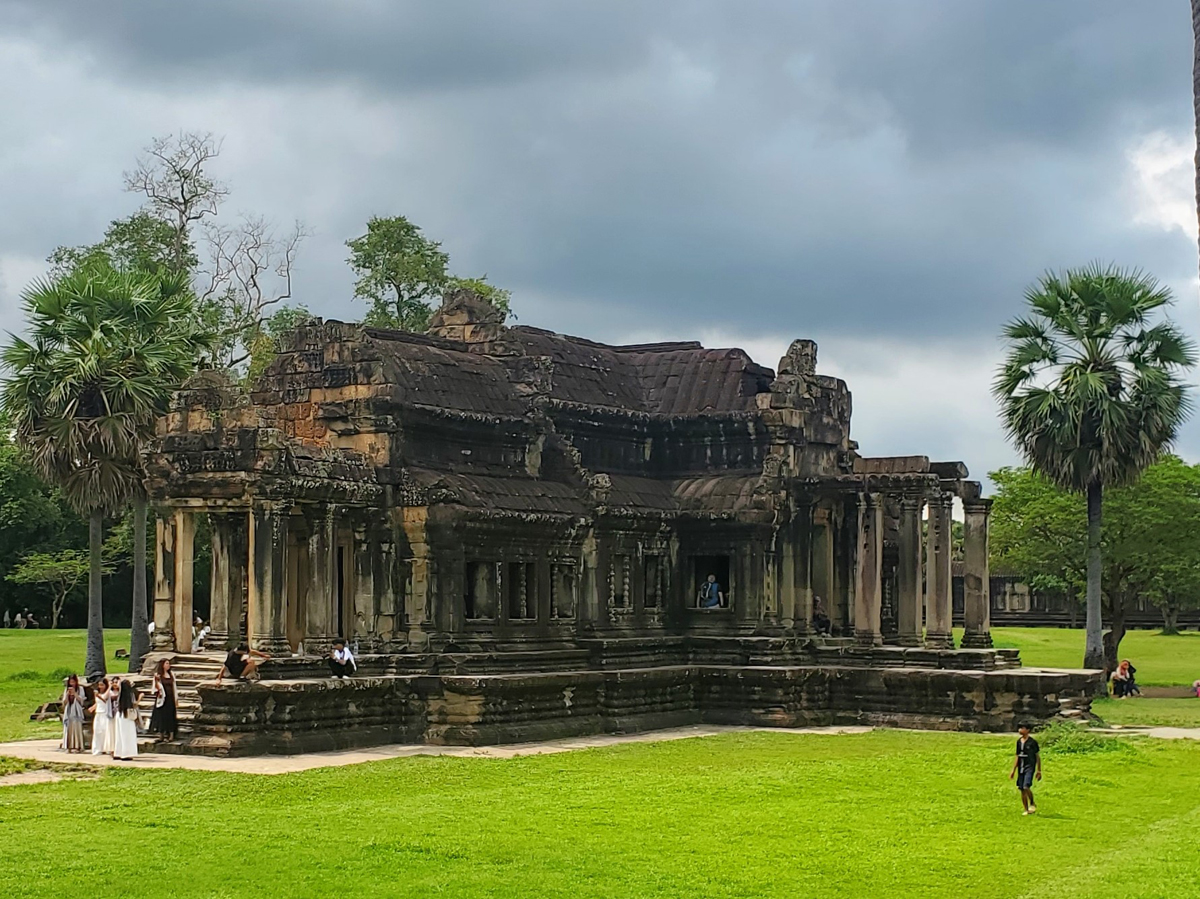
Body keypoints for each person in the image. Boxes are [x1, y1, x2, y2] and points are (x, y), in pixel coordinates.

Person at [1009, 723, 1042, 815]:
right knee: (1021, 789)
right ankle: (1026, 809)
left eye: (1022, 728)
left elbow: (1037, 756)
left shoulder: (1032, 742)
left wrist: (1039, 770)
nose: (1020, 730)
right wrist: (1013, 770)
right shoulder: (1019, 742)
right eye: (1019, 728)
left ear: (1028, 730)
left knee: (1026, 786)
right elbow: (1017, 756)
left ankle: (1032, 802)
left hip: (1029, 767)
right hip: (1021, 767)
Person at [148, 658, 178, 742]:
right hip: (162, 699)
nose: (168, 665)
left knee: (170, 716)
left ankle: (171, 735)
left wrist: (176, 698)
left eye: (168, 663)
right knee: (161, 717)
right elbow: (155, 688)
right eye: (166, 663)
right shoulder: (158, 675)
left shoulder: (171, 674)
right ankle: (161, 734)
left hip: (170, 699)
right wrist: (156, 681)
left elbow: (174, 687)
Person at [112, 679, 140, 760]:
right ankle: (126, 753)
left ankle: (118, 752)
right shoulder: (129, 695)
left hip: (120, 715)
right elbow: (131, 705)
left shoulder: (120, 695)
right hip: (126, 716)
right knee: (127, 735)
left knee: (119, 736)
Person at [88, 678, 111, 756]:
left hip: (105, 714)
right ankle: (98, 749)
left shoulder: (108, 693)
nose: (100, 686)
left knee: (105, 731)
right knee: (97, 731)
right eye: (99, 685)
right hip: (98, 713)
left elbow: (104, 699)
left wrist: (110, 686)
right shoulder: (97, 693)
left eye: (102, 685)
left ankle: (107, 748)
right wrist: (92, 707)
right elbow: (98, 703)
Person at [61, 684, 85, 753]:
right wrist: (67, 695)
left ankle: (78, 747)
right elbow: (64, 703)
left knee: (77, 730)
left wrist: (75, 694)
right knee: (68, 730)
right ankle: (69, 747)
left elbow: (81, 701)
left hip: (77, 714)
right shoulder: (66, 691)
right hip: (68, 713)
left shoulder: (80, 689)